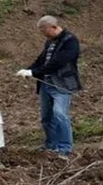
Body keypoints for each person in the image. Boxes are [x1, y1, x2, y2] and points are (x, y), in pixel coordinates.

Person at [15, 15, 81, 160]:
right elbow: (42, 60)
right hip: (46, 84)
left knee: (59, 114)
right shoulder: (50, 42)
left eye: (44, 31)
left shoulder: (70, 41)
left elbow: (58, 62)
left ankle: (65, 148)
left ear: (53, 27)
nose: (43, 34)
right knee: (46, 117)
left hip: (62, 84)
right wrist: (28, 70)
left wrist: (34, 72)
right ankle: (51, 144)